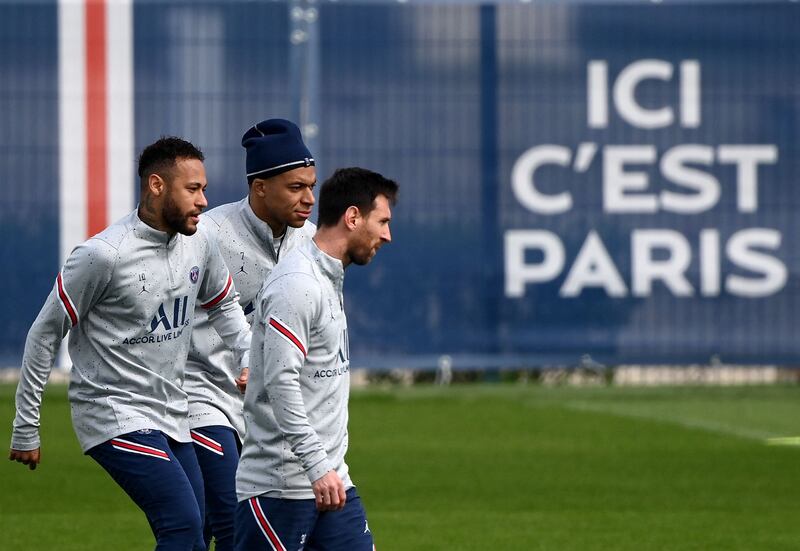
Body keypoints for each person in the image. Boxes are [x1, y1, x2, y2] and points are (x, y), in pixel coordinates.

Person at [9, 137, 252, 551]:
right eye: (192, 189)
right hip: (112, 410)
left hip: (173, 412)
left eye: (204, 189)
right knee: (181, 523)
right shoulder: (103, 255)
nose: (204, 201)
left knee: (197, 532)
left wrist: (247, 357)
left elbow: (224, 303)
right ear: (156, 186)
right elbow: (44, 333)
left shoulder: (200, 241)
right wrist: (25, 428)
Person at [234, 167, 398, 551]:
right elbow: (280, 384)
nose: (388, 235)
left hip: (331, 482)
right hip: (279, 489)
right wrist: (316, 465)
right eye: (383, 221)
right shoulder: (298, 285)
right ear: (353, 217)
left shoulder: (328, 278)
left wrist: (326, 470)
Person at [184, 119, 317, 550]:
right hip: (200, 395)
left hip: (267, 410)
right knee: (228, 517)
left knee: (194, 527)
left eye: (311, 186)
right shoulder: (208, 234)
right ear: (260, 186)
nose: (309, 198)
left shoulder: (312, 243)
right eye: (296, 187)